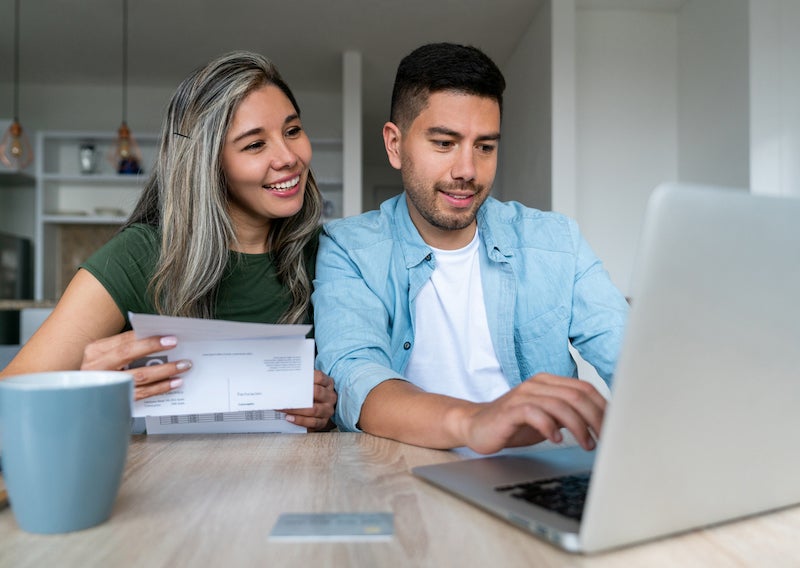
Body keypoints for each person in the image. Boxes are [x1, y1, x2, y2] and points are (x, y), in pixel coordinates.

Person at [312, 43, 629, 451]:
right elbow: (356, 377)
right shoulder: (348, 248)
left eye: (485, 147)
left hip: (542, 471)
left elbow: (634, 361)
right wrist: (475, 421)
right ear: (395, 144)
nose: (467, 171)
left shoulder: (555, 242)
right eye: (444, 143)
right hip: (410, 473)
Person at [1, 51, 336, 431]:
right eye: (255, 145)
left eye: (292, 131)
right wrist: (86, 390)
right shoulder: (137, 257)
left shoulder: (329, 255)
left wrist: (331, 408)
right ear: (207, 164)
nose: (289, 157)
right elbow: (7, 403)